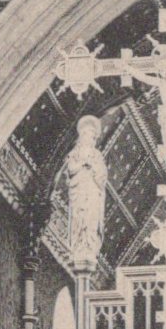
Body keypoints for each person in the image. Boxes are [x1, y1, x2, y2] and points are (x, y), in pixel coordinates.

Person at [66, 115, 107, 269]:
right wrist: (83, 163)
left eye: (91, 135)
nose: (88, 138)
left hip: (92, 193)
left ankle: (89, 248)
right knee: (78, 219)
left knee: (90, 220)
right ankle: (78, 247)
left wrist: (93, 167)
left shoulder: (97, 156)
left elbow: (102, 176)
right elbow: (70, 169)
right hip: (79, 193)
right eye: (85, 134)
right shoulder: (75, 154)